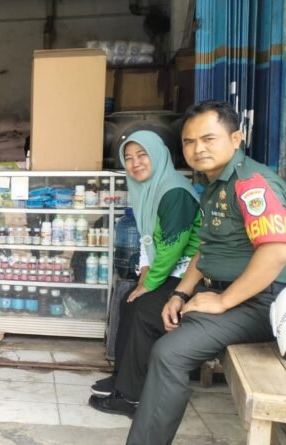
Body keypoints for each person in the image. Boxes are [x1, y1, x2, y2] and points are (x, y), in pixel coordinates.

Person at [126, 101, 286, 444]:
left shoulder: (251, 183)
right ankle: (132, 396)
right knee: (148, 310)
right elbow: (205, 249)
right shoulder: (214, 185)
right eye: (189, 141)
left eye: (208, 138)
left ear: (236, 138)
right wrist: (180, 293)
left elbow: (275, 252)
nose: (198, 148)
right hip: (223, 291)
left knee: (169, 354)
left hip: (258, 301)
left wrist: (223, 301)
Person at [88, 131, 201, 416]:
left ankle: (132, 397)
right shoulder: (148, 189)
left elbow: (173, 246)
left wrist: (150, 283)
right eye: (128, 158)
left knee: (144, 309)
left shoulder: (174, 192)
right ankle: (122, 376)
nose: (135, 163)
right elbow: (148, 237)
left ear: (158, 155)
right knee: (129, 299)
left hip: (191, 276)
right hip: (168, 270)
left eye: (142, 155)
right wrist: (145, 274)